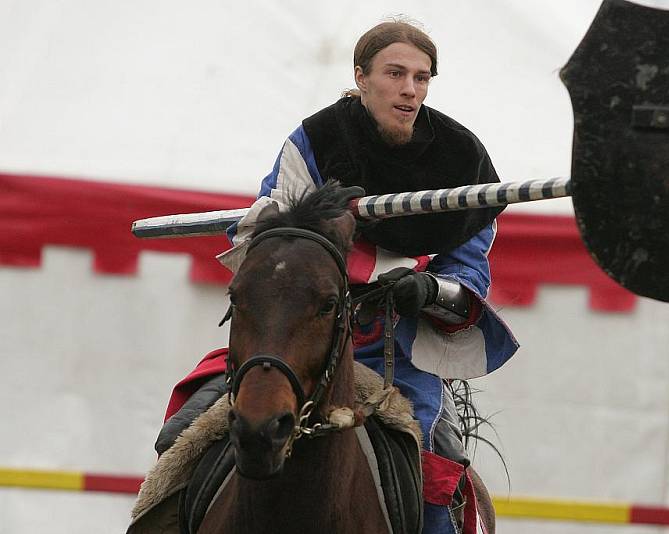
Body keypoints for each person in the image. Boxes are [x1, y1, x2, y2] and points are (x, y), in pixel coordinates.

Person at [157, 19, 518, 534]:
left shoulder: (463, 159)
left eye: (422, 77)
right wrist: (324, 222)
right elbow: (271, 234)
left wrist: (430, 289)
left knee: (439, 485)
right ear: (361, 76)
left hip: (394, 349)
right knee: (181, 440)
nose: (409, 89)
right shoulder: (315, 140)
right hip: (296, 337)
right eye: (395, 73)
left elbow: (470, 269)